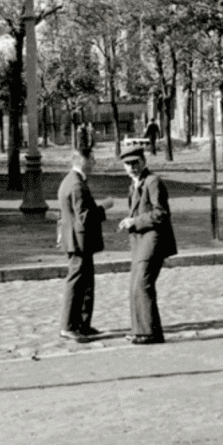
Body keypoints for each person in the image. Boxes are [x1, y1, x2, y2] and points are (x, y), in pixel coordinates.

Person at [118, 147, 177, 345]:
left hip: (153, 239)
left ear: (143, 161)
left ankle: (149, 333)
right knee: (135, 285)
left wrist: (134, 221)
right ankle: (141, 330)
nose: (132, 168)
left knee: (143, 283)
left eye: (135, 163)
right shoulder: (134, 185)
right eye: (128, 164)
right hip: (140, 242)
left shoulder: (153, 182)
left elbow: (161, 213)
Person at [57, 150, 109, 342]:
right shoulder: (76, 184)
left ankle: (82, 324)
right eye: (92, 159)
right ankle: (68, 326)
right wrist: (103, 207)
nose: (94, 162)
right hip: (78, 241)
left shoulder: (72, 180)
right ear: (82, 161)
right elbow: (84, 216)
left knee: (86, 283)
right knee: (77, 284)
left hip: (78, 240)